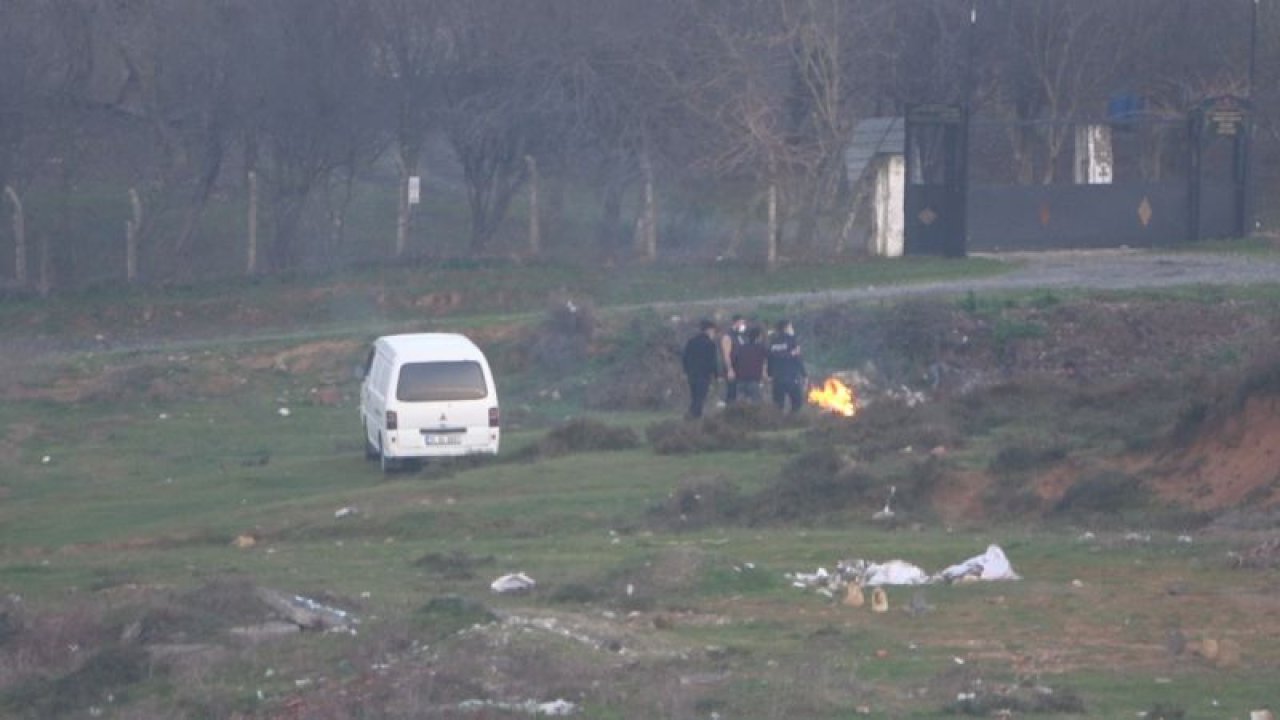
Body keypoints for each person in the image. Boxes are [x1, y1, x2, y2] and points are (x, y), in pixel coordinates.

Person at [767, 319, 806, 413]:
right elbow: (798, 359)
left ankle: (777, 420)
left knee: (777, 404)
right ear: (786, 328)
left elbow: (770, 359)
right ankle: (793, 419)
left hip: (777, 377)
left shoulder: (773, 342)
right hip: (791, 376)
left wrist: (769, 374)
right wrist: (804, 374)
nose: (792, 329)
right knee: (797, 402)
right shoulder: (792, 340)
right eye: (790, 327)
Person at [682, 319, 719, 419]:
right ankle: (693, 416)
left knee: (694, 396)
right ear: (709, 330)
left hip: (691, 374)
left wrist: (685, 371)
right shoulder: (710, 344)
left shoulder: (691, 342)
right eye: (713, 331)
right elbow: (713, 361)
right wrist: (716, 375)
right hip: (704, 375)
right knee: (700, 397)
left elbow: (685, 358)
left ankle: (694, 416)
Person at [732, 326, 769, 403]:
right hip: (754, 380)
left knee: (740, 404)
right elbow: (767, 360)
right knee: (756, 404)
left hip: (740, 379)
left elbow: (734, 361)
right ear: (758, 337)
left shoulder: (741, 348)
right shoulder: (761, 348)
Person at [719, 315, 747, 404]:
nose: (743, 325)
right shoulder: (728, 336)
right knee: (731, 392)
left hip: (741, 368)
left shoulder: (741, 336)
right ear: (736, 322)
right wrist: (729, 369)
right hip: (732, 368)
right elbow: (726, 354)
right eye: (742, 323)